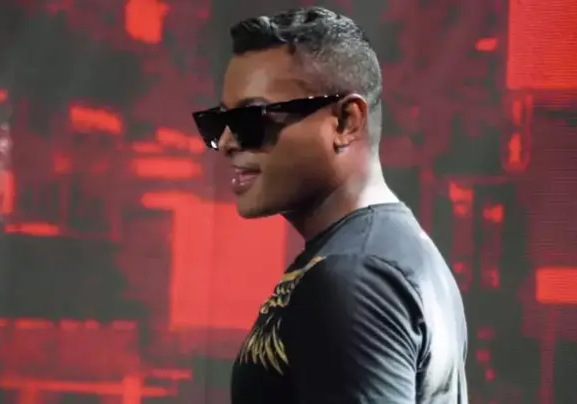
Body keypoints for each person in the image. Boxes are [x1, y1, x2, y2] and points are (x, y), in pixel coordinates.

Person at [191, 6, 469, 404]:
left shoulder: (354, 274)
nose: (228, 143)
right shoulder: (378, 254)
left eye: (251, 120)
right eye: (219, 123)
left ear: (345, 122)